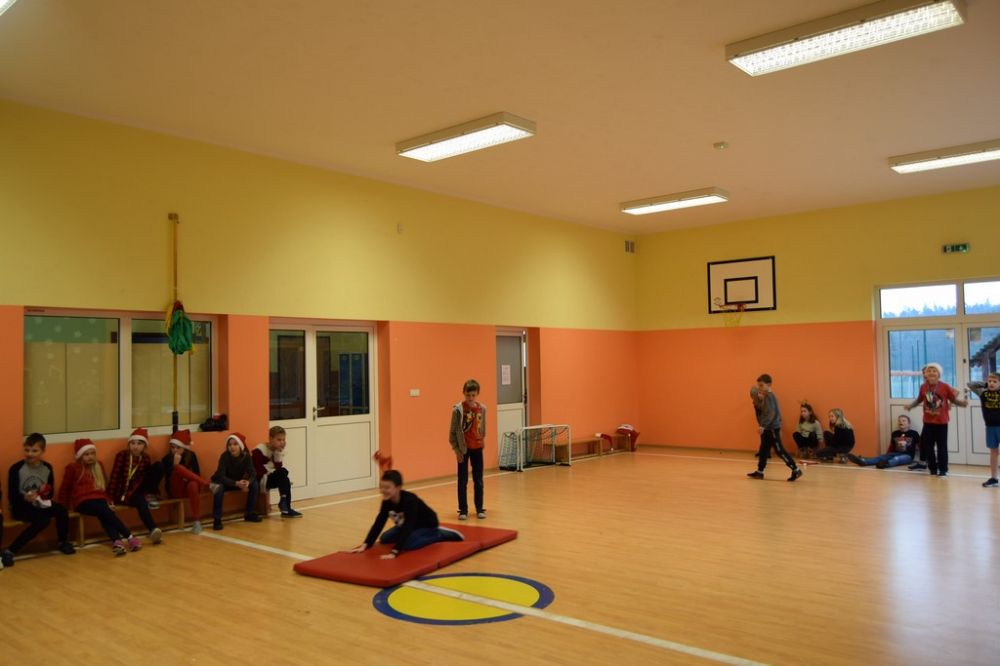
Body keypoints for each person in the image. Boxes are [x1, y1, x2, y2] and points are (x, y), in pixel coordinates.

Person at [350, 469, 463, 558]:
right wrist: (366, 544)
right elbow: (379, 522)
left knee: (408, 545)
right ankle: (416, 536)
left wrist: (395, 551)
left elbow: (409, 524)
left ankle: (438, 534)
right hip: (407, 525)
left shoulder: (410, 500)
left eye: (387, 487)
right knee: (384, 538)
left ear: (398, 488)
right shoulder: (387, 501)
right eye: (382, 487)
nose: (383, 490)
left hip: (426, 525)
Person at [2, 433, 76, 567]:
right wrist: (25, 497)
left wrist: (44, 493)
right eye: (27, 450)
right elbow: (12, 495)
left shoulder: (47, 468)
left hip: (40, 503)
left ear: (43, 451)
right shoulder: (16, 468)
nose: (30, 454)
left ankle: (63, 542)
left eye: (34, 451)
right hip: (21, 506)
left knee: (61, 510)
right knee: (43, 520)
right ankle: (10, 551)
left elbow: (50, 492)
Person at [58, 439, 139, 556]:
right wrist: (63, 507)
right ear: (80, 456)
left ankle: (117, 542)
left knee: (105, 512)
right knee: (104, 510)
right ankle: (129, 536)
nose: (90, 457)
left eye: (92, 453)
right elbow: (65, 488)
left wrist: (109, 501)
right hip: (82, 501)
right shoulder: (73, 468)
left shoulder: (98, 466)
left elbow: (104, 489)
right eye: (86, 454)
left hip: (100, 500)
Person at [906, 362, 968, 477]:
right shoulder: (923, 387)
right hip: (928, 422)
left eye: (934, 371)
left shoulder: (945, 386)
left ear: (939, 374)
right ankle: (933, 469)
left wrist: (962, 404)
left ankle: (943, 470)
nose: (931, 373)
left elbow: (953, 399)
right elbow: (919, 399)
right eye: (929, 371)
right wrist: (911, 406)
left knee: (941, 447)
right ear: (925, 374)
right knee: (928, 447)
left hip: (941, 422)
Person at [107, 428, 163, 544]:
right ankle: (152, 528)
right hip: (124, 493)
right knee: (142, 503)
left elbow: (148, 477)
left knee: (159, 466)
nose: (135, 447)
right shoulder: (122, 455)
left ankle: (151, 495)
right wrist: (109, 498)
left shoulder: (146, 458)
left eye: (139, 444)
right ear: (129, 444)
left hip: (137, 489)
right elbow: (114, 476)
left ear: (144, 446)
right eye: (132, 443)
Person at [746, 374, 802, 481]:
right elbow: (754, 391)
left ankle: (796, 469)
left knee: (779, 450)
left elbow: (771, 414)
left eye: (761, 386)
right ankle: (760, 472)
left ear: (769, 385)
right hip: (767, 429)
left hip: (772, 428)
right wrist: (758, 397)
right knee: (763, 450)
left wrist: (763, 425)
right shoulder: (763, 396)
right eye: (758, 386)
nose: (759, 388)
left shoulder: (770, 397)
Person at [161, 429, 218, 534]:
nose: (175, 450)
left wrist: (186, 477)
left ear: (184, 448)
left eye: (178, 447)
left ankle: (196, 522)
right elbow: (168, 480)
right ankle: (208, 484)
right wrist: (175, 465)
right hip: (175, 490)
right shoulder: (167, 459)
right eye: (172, 447)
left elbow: (196, 474)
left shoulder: (192, 456)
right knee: (178, 468)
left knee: (193, 484)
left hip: (189, 489)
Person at [449, 379, 488, 519]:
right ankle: (463, 510)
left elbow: (482, 427)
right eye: (468, 395)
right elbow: (452, 433)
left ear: (477, 394)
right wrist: (457, 450)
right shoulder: (458, 410)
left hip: (477, 448)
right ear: (463, 393)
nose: (470, 398)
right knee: (462, 480)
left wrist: (482, 440)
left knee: (478, 480)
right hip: (463, 449)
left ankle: (479, 508)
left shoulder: (482, 409)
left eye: (473, 395)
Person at [211, 432, 262, 530]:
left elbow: (253, 472)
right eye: (230, 445)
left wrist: (248, 482)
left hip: (237, 482)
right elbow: (221, 477)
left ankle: (249, 513)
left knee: (255, 483)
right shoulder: (224, 456)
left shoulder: (246, 456)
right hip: (224, 482)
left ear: (240, 446)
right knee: (218, 488)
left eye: (235, 444)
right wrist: (236, 483)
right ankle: (217, 519)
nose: (232, 447)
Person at [252, 425, 302, 518]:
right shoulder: (259, 450)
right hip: (261, 479)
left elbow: (278, 467)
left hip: (271, 476)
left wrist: (278, 452)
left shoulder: (277, 450)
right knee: (283, 472)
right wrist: (271, 470)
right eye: (279, 440)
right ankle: (286, 509)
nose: (282, 442)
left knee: (285, 478)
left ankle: (284, 503)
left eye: (283, 440)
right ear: (271, 439)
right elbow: (256, 470)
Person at [847, 414, 919, 468]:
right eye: (899, 421)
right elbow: (891, 446)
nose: (901, 422)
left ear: (909, 423)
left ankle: (885, 464)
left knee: (896, 459)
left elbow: (920, 445)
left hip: (908, 456)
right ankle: (864, 461)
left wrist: (922, 459)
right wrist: (887, 455)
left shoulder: (914, 433)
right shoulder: (895, 433)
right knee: (881, 457)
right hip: (894, 453)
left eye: (903, 420)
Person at [967, 372, 1000, 487]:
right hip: (990, 427)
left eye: (994, 381)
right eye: (990, 381)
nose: (991, 383)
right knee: (993, 452)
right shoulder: (983, 392)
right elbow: (970, 384)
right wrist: (985, 384)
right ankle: (994, 478)